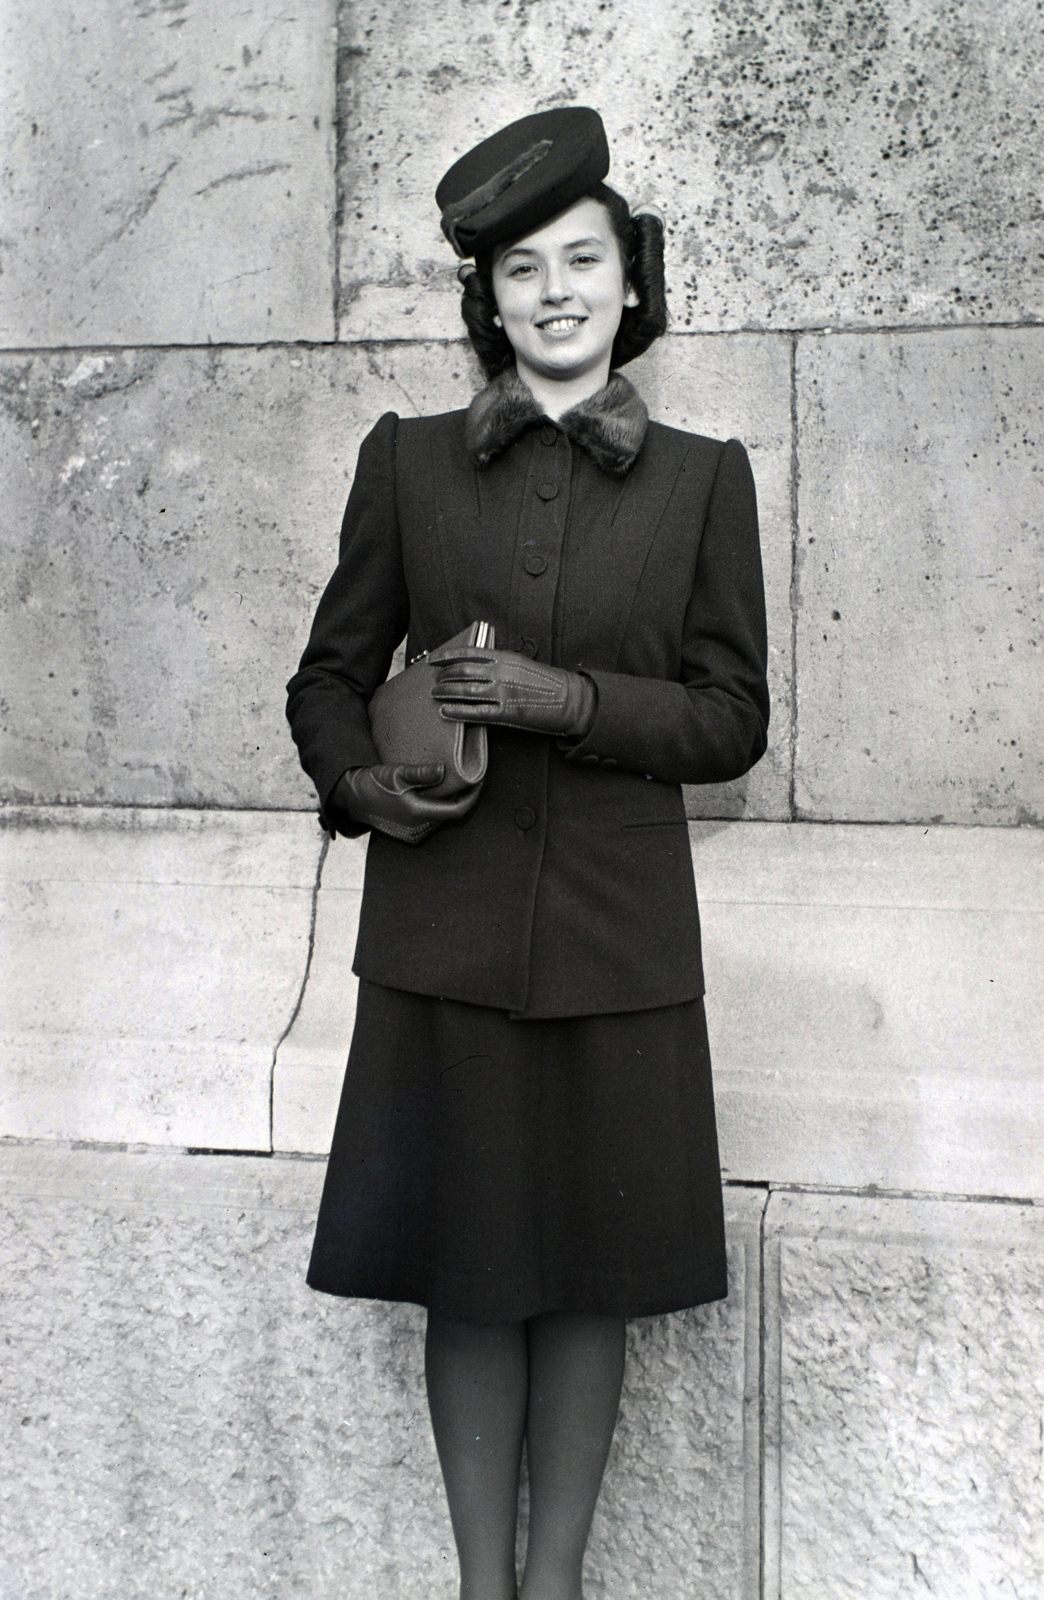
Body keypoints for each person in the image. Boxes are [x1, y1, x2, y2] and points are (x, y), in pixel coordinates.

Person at [286, 107, 769, 1600]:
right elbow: (326, 678)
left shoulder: (704, 478)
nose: (556, 291)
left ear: (633, 282)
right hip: (444, 934)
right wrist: (360, 786)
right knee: (474, 1275)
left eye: (583, 260)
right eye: (521, 270)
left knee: (589, 1281)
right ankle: (481, 1590)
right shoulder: (408, 462)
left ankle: (552, 1586)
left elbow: (733, 720)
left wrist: (573, 702)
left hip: (620, 946)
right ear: (487, 302)